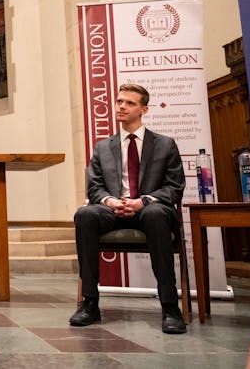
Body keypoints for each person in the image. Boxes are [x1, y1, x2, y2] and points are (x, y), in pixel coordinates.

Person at [69, 83, 187, 334]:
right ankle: (90, 303)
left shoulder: (165, 144)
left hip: (149, 209)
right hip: (113, 210)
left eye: (129, 103)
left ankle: (170, 307)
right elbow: (95, 187)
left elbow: (174, 188)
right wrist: (110, 201)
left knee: (156, 214)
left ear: (144, 109)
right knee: (85, 214)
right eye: (119, 101)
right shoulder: (103, 147)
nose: (121, 106)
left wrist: (142, 201)